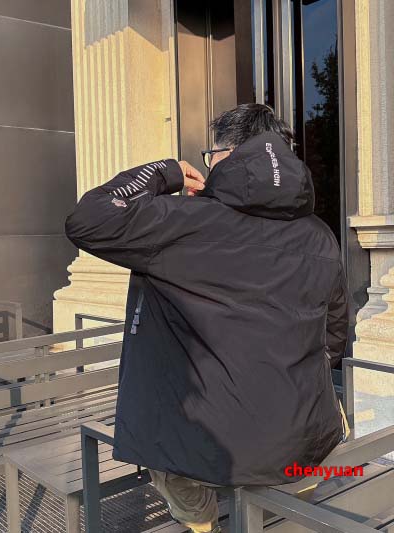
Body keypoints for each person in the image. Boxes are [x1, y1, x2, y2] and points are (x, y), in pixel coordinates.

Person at [65, 103, 349, 533]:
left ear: (228, 155)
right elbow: (334, 333)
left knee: (168, 451)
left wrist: (166, 173)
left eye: (210, 154)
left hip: (208, 448)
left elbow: (89, 218)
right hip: (302, 443)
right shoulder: (320, 235)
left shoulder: (185, 223)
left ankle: (201, 523)